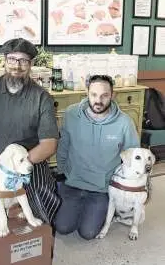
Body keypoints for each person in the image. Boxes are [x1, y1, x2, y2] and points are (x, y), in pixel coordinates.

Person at [0, 38, 60, 223]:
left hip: (30, 165)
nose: (17, 66)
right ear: (4, 60)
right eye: (12, 59)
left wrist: (17, 169)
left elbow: (49, 145)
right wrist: (1, 169)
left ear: (31, 64)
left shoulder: (42, 98)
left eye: (23, 61)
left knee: (39, 213)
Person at [54, 74, 140, 240]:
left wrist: (125, 189)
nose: (98, 100)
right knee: (63, 227)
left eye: (104, 95)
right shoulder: (71, 114)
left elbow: (133, 157)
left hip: (102, 188)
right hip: (73, 183)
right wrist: (64, 171)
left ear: (113, 95)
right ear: (87, 93)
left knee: (88, 233)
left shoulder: (124, 123)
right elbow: (63, 145)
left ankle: (108, 208)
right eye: (93, 94)